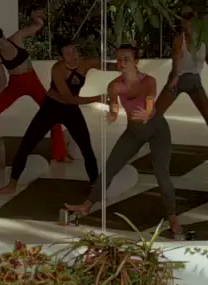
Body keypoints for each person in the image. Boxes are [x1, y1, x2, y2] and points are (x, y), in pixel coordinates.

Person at [71, 45, 182, 237]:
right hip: (134, 131)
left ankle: (172, 216)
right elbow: (114, 105)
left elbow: (150, 101)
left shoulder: (149, 81)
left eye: (126, 59)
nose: (121, 63)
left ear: (136, 61)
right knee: (110, 167)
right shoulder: (114, 85)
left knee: (161, 174)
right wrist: (113, 115)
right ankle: (87, 205)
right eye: (119, 59)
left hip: (157, 130)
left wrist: (147, 113)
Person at [0, 38, 101, 198]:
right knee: (26, 145)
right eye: (68, 53)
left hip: (71, 111)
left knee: (87, 148)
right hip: (52, 108)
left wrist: (125, 66)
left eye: (74, 51)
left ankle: (95, 185)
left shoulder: (86, 63)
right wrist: (98, 98)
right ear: (61, 57)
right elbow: (69, 98)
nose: (73, 56)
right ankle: (11, 185)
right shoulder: (57, 69)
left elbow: (108, 66)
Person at [0, 11, 69, 163]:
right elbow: (2, 79)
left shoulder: (17, 37)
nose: (0, 47)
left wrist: (35, 18)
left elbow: (37, 26)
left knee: (52, 113)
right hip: (15, 85)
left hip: (32, 81)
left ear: (3, 36)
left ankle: (60, 154)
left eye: (0, 43)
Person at [153, 15, 208, 143]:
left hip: (195, 82)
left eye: (190, 26)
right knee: (155, 114)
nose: (187, 29)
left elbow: (207, 57)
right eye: (185, 26)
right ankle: (148, 143)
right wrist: (172, 82)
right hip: (178, 79)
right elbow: (175, 64)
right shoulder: (179, 41)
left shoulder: (205, 40)